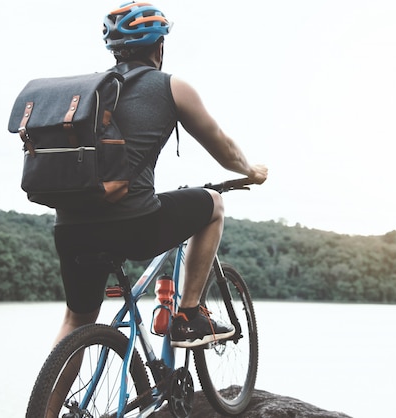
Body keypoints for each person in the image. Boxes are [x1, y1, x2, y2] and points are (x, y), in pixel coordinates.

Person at [52, 1, 268, 349]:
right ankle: (188, 315)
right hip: (132, 224)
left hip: (71, 228)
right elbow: (224, 149)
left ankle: (46, 406)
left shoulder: (88, 92)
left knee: (76, 320)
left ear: (115, 50)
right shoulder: (171, 87)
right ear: (160, 46)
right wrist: (251, 171)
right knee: (213, 204)